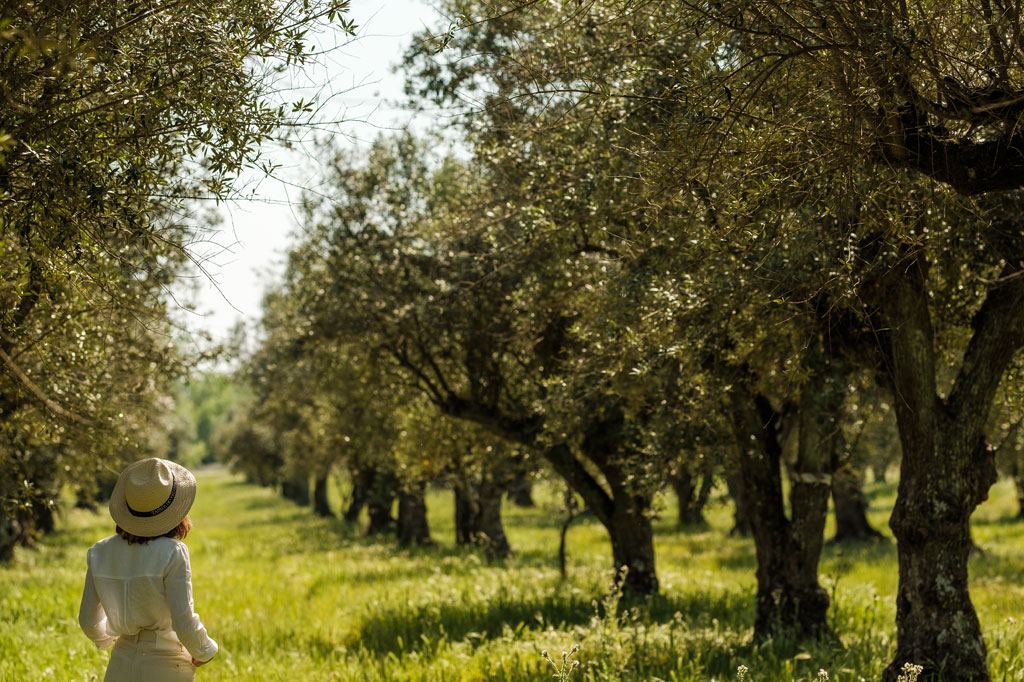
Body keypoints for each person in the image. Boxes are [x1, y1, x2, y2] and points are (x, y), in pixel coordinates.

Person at [79, 458, 219, 681]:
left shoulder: (100, 552)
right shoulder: (173, 552)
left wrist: (108, 639)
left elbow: (88, 620)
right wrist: (205, 650)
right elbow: (183, 622)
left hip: (120, 664)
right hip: (167, 664)